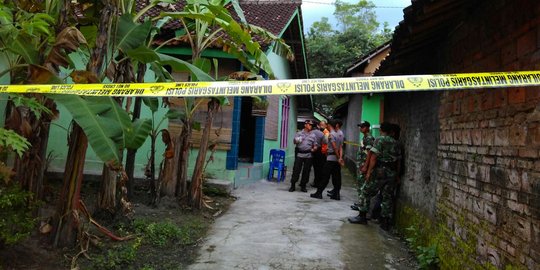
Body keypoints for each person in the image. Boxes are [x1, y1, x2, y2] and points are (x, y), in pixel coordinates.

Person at [348, 122, 400, 230]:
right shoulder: (396, 143)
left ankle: (362, 216)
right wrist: (397, 175)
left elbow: (373, 157)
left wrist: (368, 171)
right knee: (387, 196)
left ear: (381, 130)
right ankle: (385, 222)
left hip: (380, 171)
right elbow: (399, 160)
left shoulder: (379, 139)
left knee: (365, 191)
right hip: (392, 172)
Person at [310, 119, 343, 200]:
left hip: (331, 158)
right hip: (336, 159)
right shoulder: (339, 134)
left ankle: (319, 193)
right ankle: (336, 194)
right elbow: (341, 147)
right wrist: (340, 158)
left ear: (329, 125)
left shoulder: (331, 135)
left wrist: (339, 158)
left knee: (325, 176)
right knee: (336, 177)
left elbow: (335, 147)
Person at [351, 121, 375, 210]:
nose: (361, 128)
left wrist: (365, 166)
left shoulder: (368, 138)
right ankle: (360, 204)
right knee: (360, 185)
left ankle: (363, 206)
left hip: (365, 165)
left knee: (363, 186)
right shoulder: (364, 137)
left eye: (363, 127)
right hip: (361, 164)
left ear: (368, 128)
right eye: (360, 127)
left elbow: (369, 153)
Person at [290, 120, 317, 192]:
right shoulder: (299, 133)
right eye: (309, 125)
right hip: (299, 154)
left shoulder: (313, 135)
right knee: (296, 170)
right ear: (305, 125)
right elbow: (294, 142)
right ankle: (293, 185)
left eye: (311, 125)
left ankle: (303, 185)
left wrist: (314, 148)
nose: (311, 126)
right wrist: (297, 140)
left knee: (306, 171)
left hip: (308, 155)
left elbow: (315, 145)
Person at [310, 120, 328, 188]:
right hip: (319, 151)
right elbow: (325, 142)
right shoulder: (322, 133)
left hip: (311, 150)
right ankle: (318, 182)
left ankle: (314, 182)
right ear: (317, 126)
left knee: (311, 167)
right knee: (319, 168)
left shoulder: (310, 132)